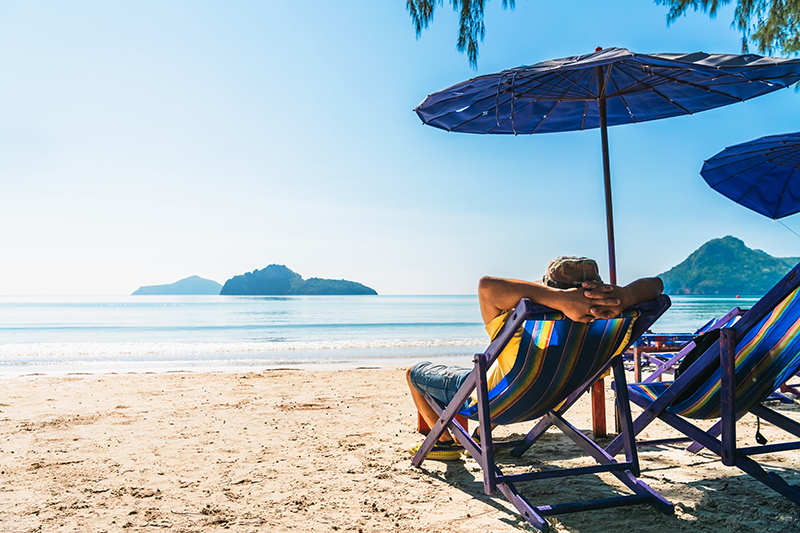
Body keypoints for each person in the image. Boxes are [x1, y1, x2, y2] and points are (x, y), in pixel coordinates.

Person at [406, 256, 664, 460]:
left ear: (547, 289)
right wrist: (625, 297)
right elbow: (657, 285)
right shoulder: (611, 326)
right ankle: (477, 433)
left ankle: (444, 443)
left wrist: (559, 300)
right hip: (548, 400)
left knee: (414, 372)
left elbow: (486, 286)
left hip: (493, 403)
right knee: (518, 376)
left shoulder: (523, 322)